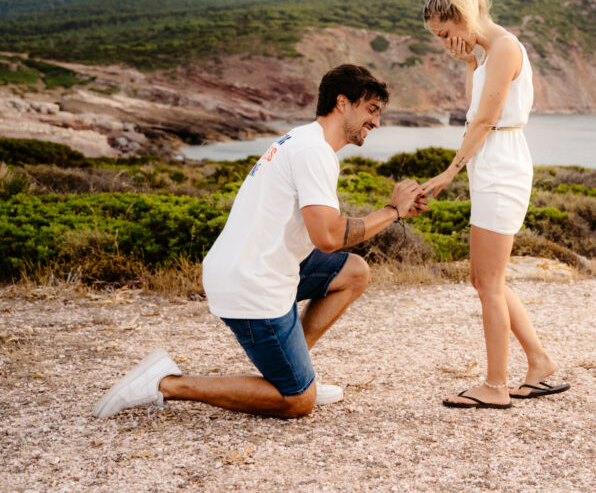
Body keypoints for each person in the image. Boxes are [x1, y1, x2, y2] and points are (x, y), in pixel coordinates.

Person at [93, 64, 427, 419]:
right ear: (342, 103)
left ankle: (298, 371)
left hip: (254, 266)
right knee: (298, 402)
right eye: (371, 110)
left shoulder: (303, 139)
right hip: (252, 283)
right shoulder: (313, 152)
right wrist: (393, 210)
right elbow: (328, 238)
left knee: (354, 272)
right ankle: (166, 383)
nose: (376, 122)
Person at [420, 0, 568, 409]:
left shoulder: (504, 48)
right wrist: (467, 60)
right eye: (439, 37)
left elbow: (485, 121)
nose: (445, 43)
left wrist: (449, 171)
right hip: (491, 165)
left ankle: (496, 385)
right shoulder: (485, 54)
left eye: (446, 33)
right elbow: (473, 112)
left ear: (464, 16)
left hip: (501, 165)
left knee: (487, 282)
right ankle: (539, 362)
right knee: (485, 279)